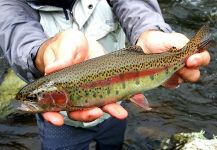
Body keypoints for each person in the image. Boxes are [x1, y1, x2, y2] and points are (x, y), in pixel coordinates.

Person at [0, 0, 210, 149]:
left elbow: (135, 5)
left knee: (112, 144)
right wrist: (43, 54)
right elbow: (17, 37)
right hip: (62, 125)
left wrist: (149, 31)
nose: (29, 103)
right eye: (33, 98)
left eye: (34, 98)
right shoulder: (8, 6)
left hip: (116, 110)